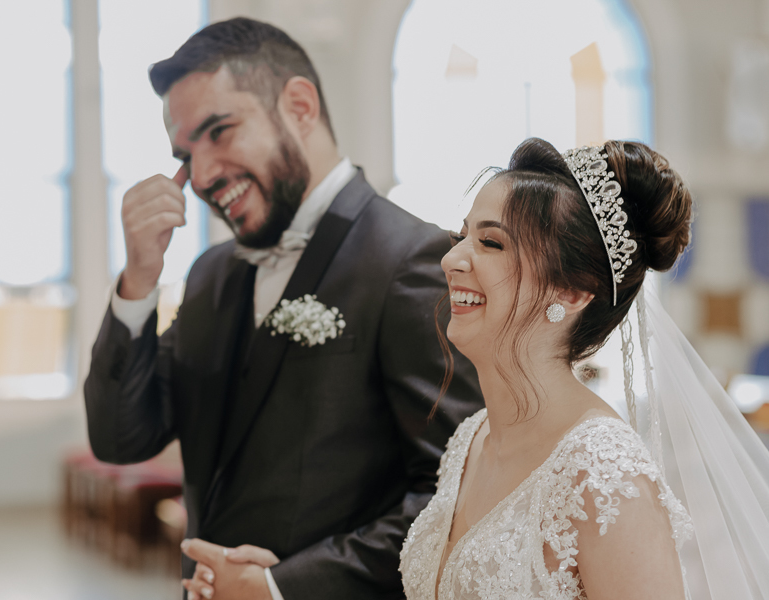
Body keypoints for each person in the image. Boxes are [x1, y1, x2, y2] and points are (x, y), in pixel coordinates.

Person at [83, 17, 483, 600]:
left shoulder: (413, 262)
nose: (200, 176)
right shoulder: (211, 276)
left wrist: (280, 586)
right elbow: (122, 439)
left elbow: (454, 501)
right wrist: (139, 280)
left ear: (299, 105)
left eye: (219, 131)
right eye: (184, 154)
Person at [400, 137, 769, 599]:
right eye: (462, 237)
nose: (451, 259)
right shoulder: (468, 441)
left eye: (490, 242)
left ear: (572, 292)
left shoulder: (603, 475)